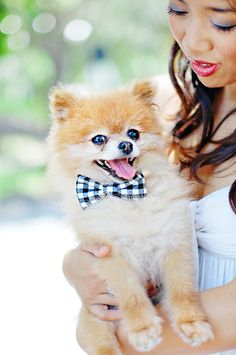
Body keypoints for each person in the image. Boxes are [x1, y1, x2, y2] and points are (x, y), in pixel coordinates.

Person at [63, 0, 236, 354]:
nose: (193, 42)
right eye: (178, 10)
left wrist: (124, 338)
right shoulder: (160, 102)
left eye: (222, 23)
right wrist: (75, 267)